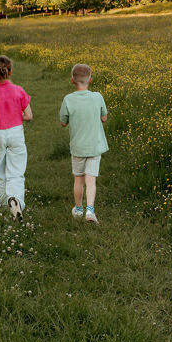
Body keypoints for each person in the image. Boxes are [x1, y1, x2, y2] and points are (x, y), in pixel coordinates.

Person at [0, 55, 32, 221]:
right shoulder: (18, 90)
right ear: (10, 72)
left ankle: (3, 204)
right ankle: (16, 200)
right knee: (16, 172)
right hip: (16, 133)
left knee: (0, 171)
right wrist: (16, 115)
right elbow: (29, 115)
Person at [59, 63, 108, 223]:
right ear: (90, 80)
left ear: (72, 80)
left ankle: (78, 209)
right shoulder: (97, 97)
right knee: (91, 180)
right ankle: (90, 211)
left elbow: (63, 122)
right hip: (94, 146)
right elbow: (104, 117)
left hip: (78, 147)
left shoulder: (68, 99)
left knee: (78, 179)